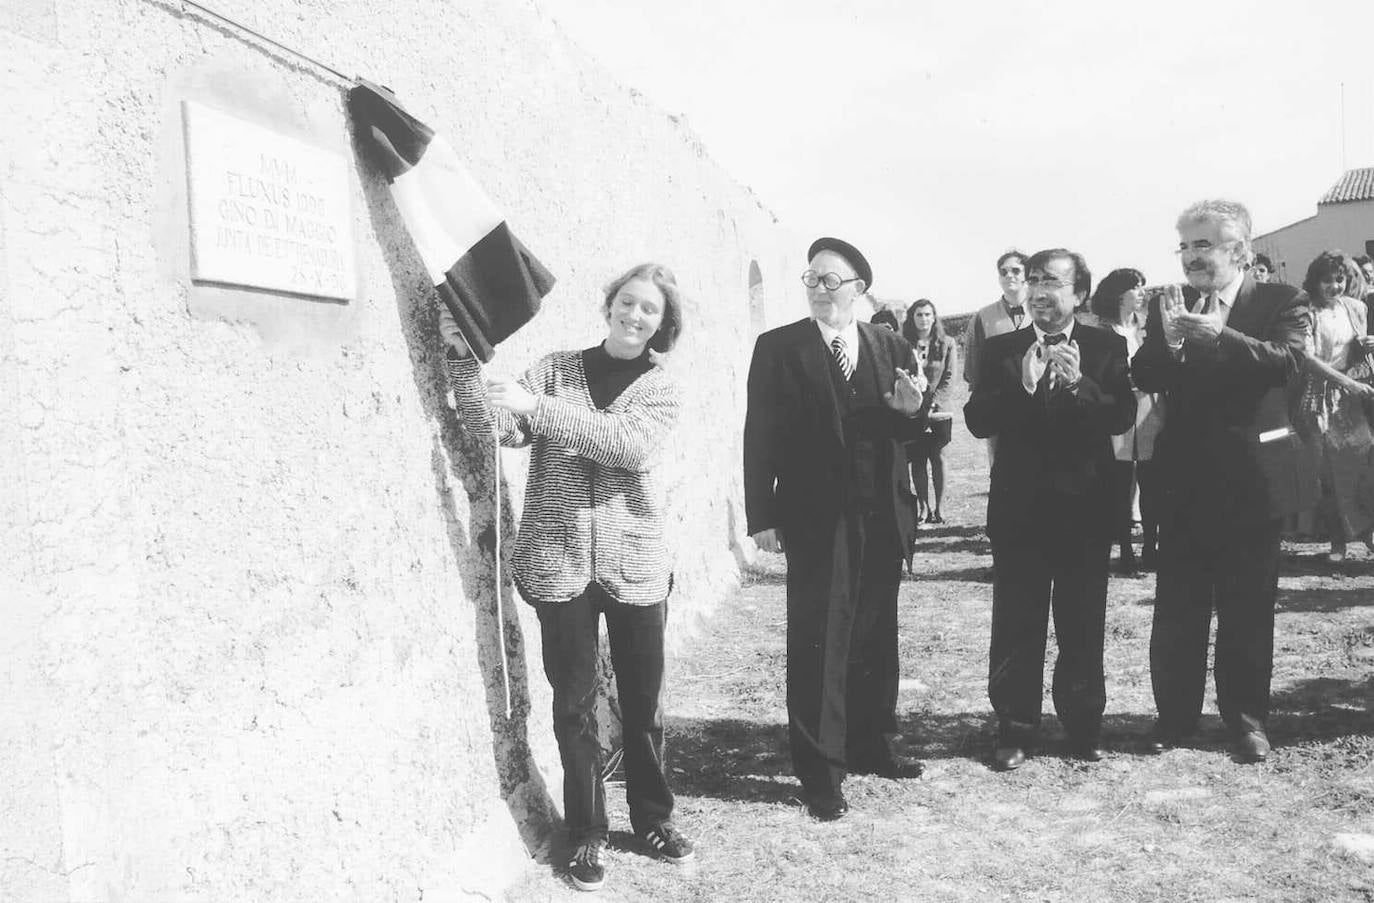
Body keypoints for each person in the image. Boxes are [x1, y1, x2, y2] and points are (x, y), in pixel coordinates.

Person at [441, 263, 693, 892]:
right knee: (573, 704)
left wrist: (539, 410)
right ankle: (586, 832)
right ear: (608, 305)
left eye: (649, 311)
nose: (635, 316)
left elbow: (624, 446)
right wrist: (464, 360)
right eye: (627, 303)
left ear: (663, 325)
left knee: (641, 702)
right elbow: (498, 427)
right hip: (558, 564)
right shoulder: (554, 369)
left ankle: (654, 818)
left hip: (635, 563)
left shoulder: (662, 389)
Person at [743, 236, 928, 821]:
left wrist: (910, 412)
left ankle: (871, 743)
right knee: (821, 636)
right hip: (816, 517)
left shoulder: (889, 343)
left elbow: (911, 433)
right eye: (812, 280)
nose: (820, 290)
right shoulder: (779, 348)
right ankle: (821, 770)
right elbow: (759, 435)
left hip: (881, 511)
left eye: (832, 281)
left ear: (859, 290)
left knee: (874, 631)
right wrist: (763, 516)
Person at [1133, 199, 1312, 765]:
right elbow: (1144, 373)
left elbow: (1286, 361)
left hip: (1253, 481)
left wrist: (1220, 336)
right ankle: (1175, 717)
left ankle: (1247, 721)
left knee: (1248, 607)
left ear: (1238, 251)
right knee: (1178, 606)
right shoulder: (1173, 305)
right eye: (1184, 246)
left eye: (1202, 245)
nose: (1190, 258)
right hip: (1183, 481)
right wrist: (1172, 344)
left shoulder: (1283, 300)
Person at [964, 248, 1134, 771]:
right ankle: (1015, 727)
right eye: (1033, 280)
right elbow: (977, 420)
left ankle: (1083, 726)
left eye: (1053, 282)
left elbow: (1121, 415)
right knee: (1017, 622)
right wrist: (1025, 383)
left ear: (1078, 294)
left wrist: (1083, 384)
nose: (1039, 291)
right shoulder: (1001, 349)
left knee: (1082, 620)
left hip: (1084, 511)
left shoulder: (1106, 345)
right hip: (1021, 510)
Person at [1293, 252, 1374, 562]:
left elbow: (1356, 350)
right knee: (1327, 473)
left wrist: (1367, 344)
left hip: (1350, 400)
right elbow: (1308, 359)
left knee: (1361, 464)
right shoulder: (1304, 312)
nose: (1335, 286)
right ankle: (1337, 543)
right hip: (1316, 399)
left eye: (1339, 279)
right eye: (1327, 280)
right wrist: (1347, 382)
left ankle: (1366, 534)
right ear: (1314, 282)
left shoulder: (1355, 308)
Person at [1088, 268, 1166, 574]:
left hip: (1151, 409)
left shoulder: (1147, 328)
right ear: (1119, 294)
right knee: (1120, 483)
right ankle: (1124, 548)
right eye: (1136, 287)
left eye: (1143, 286)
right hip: (1118, 410)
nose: (1142, 292)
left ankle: (1150, 545)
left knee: (1152, 481)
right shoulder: (1101, 334)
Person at [964, 251, 1030, 468]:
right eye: (1003, 271)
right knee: (1003, 467)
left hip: (1039, 402)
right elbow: (974, 362)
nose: (1009, 275)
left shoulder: (1042, 310)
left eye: (1015, 270)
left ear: (1026, 275)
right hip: (1000, 403)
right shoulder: (983, 316)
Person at [901, 298, 958, 524]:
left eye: (927, 314)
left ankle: (940, 508)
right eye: (918, 315)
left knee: (938, 457)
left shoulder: (947, 343)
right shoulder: (904, 344)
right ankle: (923, 508)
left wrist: (934, 402)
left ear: (934, 318)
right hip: (913, 411)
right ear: (912, 318)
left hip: (939, 411)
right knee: (917, 459)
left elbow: (950, 377)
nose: (923, 319)